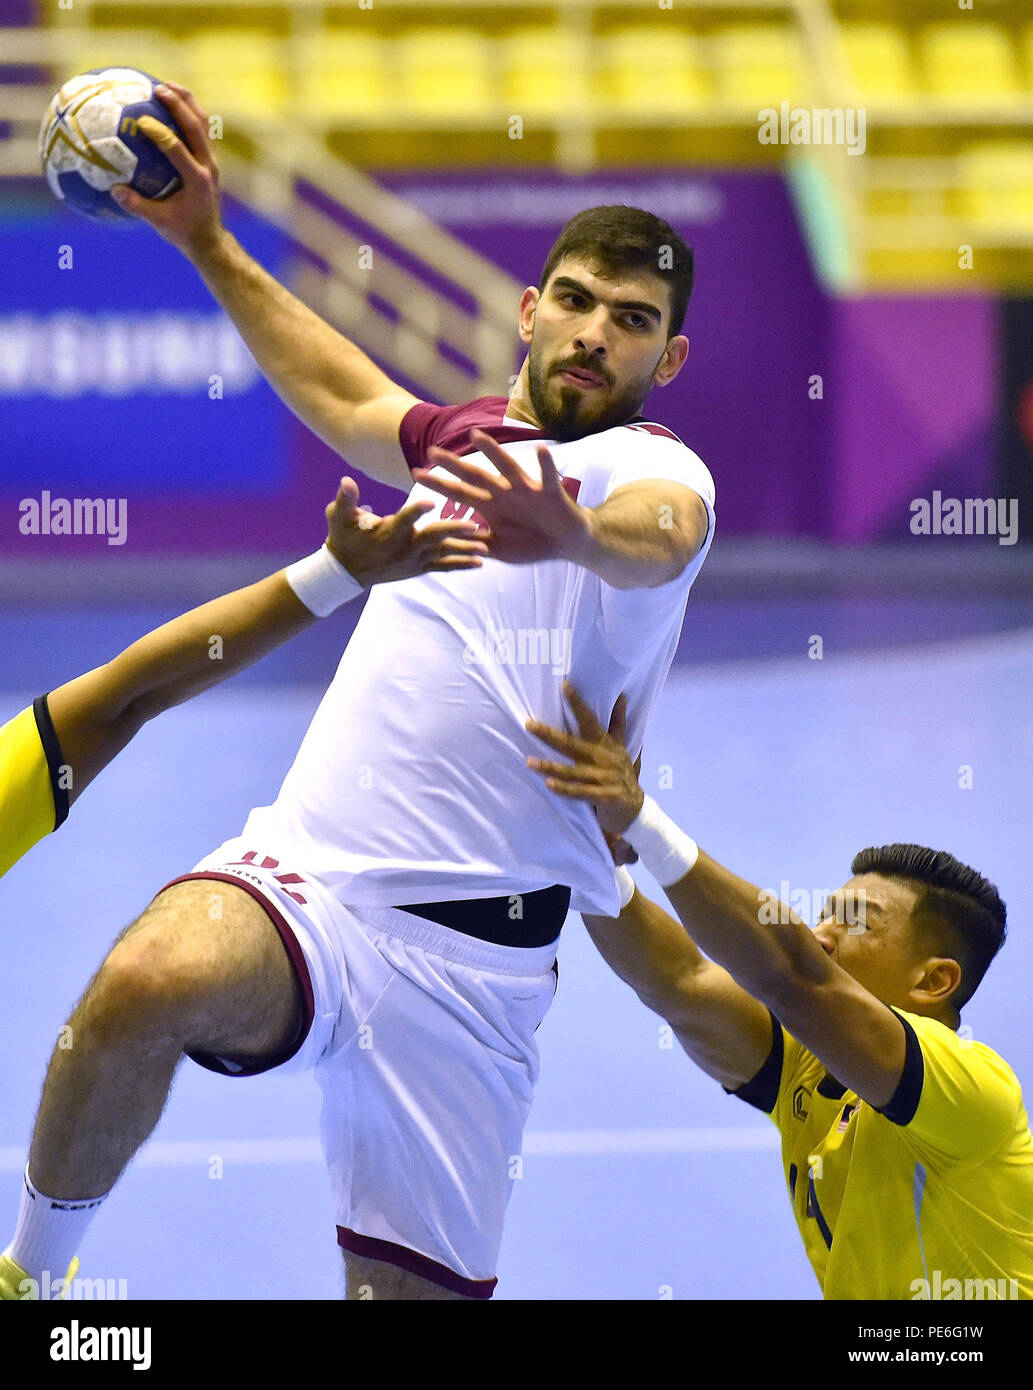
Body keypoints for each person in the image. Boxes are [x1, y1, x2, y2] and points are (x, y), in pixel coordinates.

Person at [5, 78, 716, 1302]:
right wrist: (211, 244)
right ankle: (31, 1278)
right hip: (313, 886)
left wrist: (577, 539)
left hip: (480, 970)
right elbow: (344, 392)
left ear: (669, 354)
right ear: (530, 312)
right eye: (582, 303)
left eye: (635, 318)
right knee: (146, 978)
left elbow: (661, 530)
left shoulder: (650, 470)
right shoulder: (468, 441)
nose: (600, 332)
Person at [525, 684, 1033, 1300]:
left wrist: (642, 822)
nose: (822, 935)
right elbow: (679, 982)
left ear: (933, 981)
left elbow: (792, 976)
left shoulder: (976, 1089)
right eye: (822, 915)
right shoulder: (809, 1072)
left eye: (854, 920)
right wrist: (592, 867)